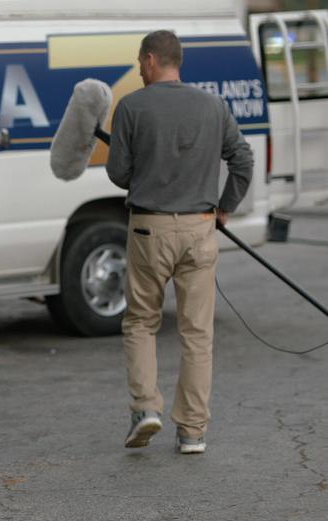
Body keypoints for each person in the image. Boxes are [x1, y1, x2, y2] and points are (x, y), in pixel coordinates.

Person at [106, 30, 253, 454]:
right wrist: (225, 207)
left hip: (149, 230)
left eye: (139, 61)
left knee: (140, 322)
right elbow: (242, 160)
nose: (138, 69)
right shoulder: (213, 106)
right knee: (197, 333)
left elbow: (118, 174)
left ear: (151, 59)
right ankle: (192, 431)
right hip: (200, 230)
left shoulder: (131, 107)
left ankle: (146, 408)